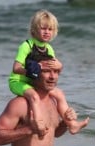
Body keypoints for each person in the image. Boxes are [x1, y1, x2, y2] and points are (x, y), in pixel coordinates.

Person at [9, 9, 89, 138]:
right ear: (34, 29)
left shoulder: (49, 48)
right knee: (34, 96)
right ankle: (38, 122)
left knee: (59, 93)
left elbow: (53, 71)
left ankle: (72, 124)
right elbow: (16, 68)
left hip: (35, 81)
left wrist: (60, 66)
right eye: (43, 28)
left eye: (50, 29)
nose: (47, 32)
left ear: (54, 32)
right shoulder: (26, 45)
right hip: (19, 81)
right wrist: (32, 69)